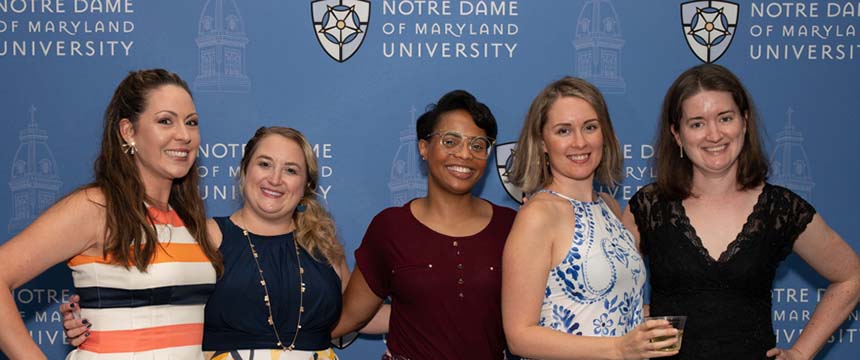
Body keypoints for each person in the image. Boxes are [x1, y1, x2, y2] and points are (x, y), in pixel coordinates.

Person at [64, 126, 383, 359]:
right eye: (264, 164)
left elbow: (358, 315)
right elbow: (150, 298)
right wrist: (94, 319)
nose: (275, 179)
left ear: (307, 185)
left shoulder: (324, 246)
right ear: (244, 171)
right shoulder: (203, 236)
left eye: (290, 170)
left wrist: (425, 308)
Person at [621, 64, 860, 359]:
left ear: (744, 122)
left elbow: (851, 276)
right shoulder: (648, 208)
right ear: (677, 134)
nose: (714, 134)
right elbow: (610, 293)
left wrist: (800, 353)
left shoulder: (780, 210)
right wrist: (637, 316)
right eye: (697, 123)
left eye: (725, 118)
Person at [0, 69, 223, 359]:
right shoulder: (98, 208)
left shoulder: (189, 221)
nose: (183, 135)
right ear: (128, 131)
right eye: (165, 121)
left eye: (191, 123)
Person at [502, 77, 680, 359]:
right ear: (542, 142)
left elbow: (609, 303)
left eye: (590, 127)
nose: (579, 142)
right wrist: (618, 349)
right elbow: (519, 336)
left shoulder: (608, 205)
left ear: (604, 134)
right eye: (563, 130)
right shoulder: (538, 215)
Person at [331, 90, 517, 359]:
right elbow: (349, 317)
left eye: (478, 145)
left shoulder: (510, 227)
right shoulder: (391, 228)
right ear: (423, 148)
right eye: (451, 141)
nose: (464, 154)